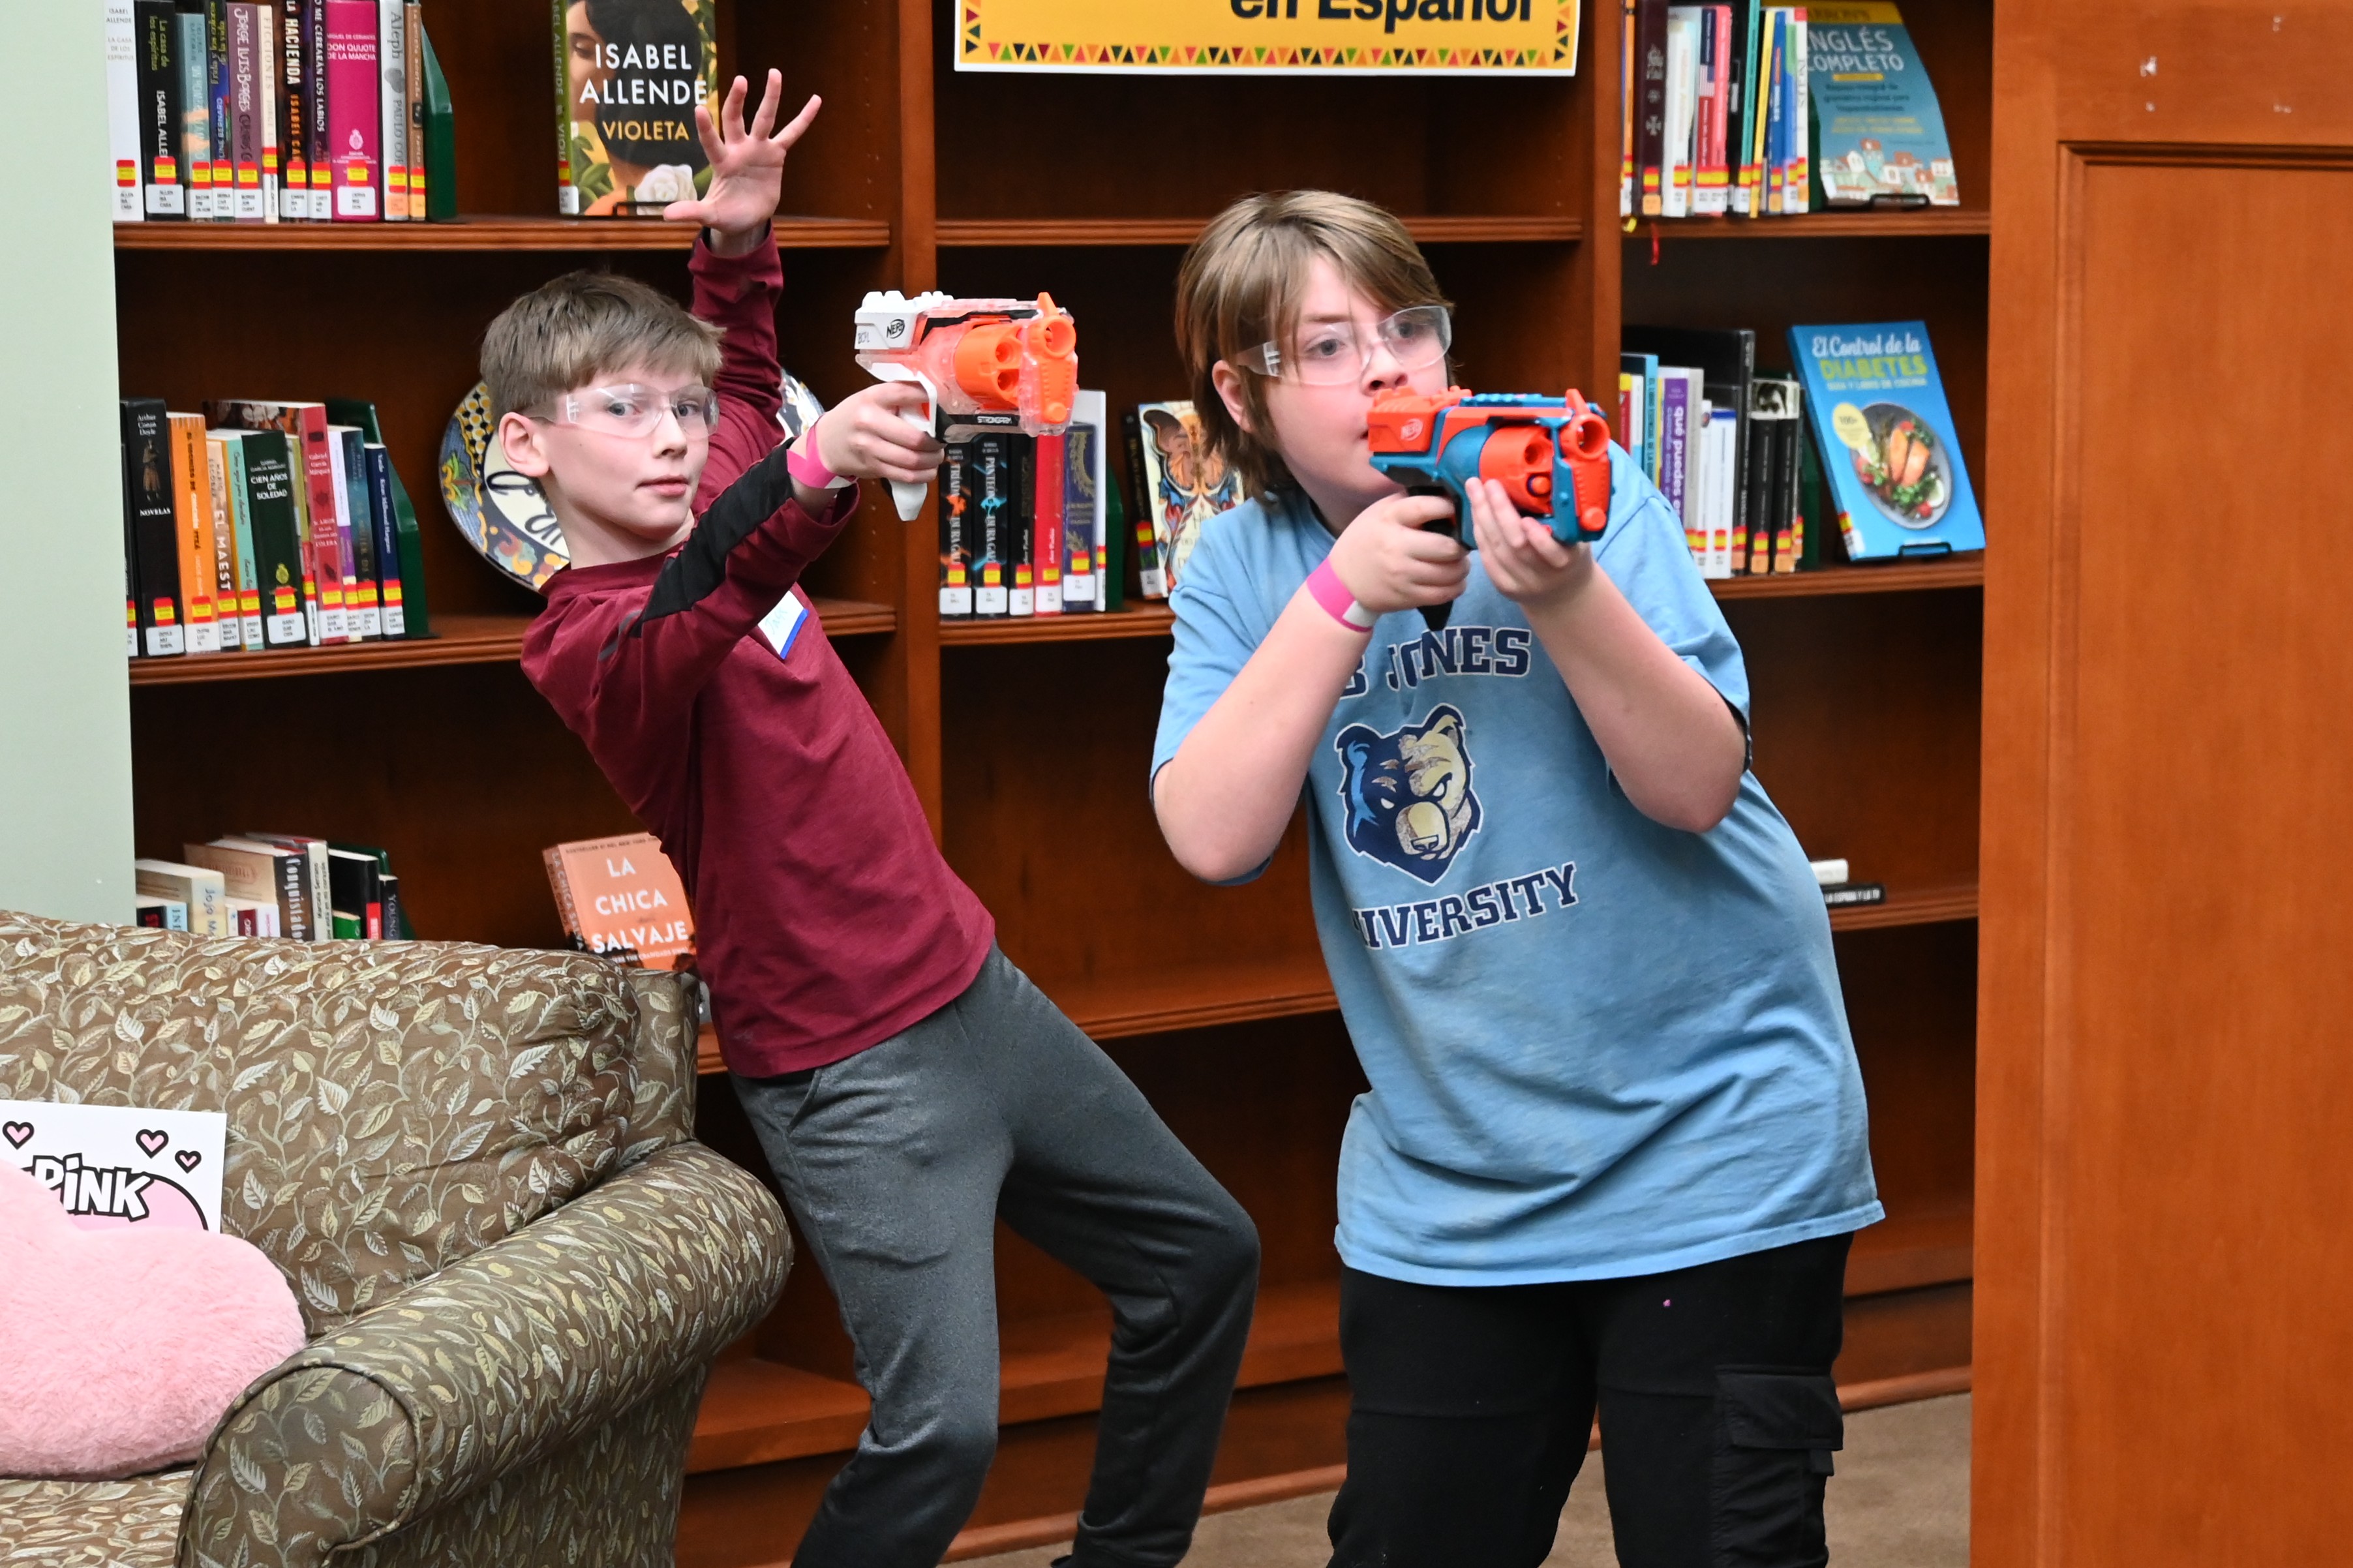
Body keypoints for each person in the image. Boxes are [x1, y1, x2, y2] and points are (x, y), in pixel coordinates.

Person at [494, 73, 1259, 1568]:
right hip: (847, 1071)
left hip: (979, 993)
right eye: (613, 411)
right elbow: (708, 582)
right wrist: (813, 463)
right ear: (524, 447)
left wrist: (739, 243)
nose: (665, 437)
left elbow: (740, 391)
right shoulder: (584, 641)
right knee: (942, 1432)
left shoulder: (704, 478)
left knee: (1202, 1257)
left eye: (672, 407)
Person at [1151, 190, 1881, 1568]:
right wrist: (1341, 597)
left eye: (1406, 327)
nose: (1383, 366)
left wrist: (1560, 595)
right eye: (1323, 346)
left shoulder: (1571, 482)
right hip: (1455, 1183)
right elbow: (1209, 833)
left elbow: (1695, 784)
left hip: (1712, 1143)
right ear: (1240, 400)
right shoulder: (1244, 565)